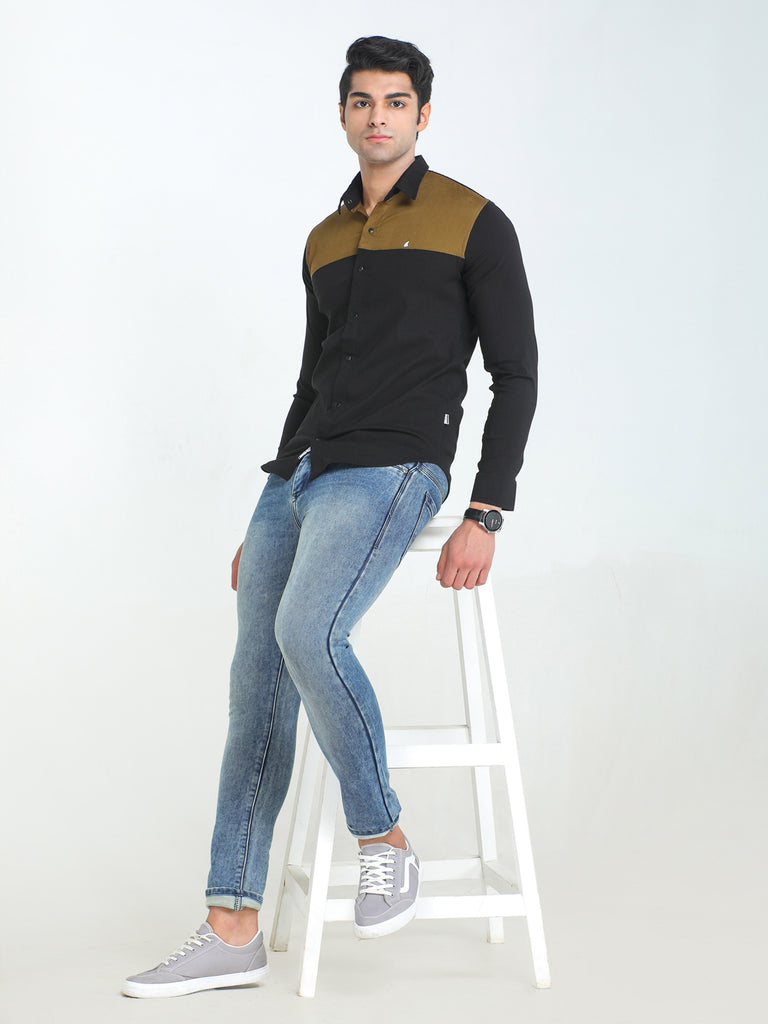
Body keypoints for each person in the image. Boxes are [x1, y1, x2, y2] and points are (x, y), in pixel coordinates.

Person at [122, 34, 537, 999]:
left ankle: (383, 835)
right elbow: (312, 377)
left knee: (308, 632)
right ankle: (233, 926)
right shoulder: (323, 237)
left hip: (395, 465)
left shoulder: (474, 221)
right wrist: (273, 499)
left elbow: (515, 374)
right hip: (305, 473)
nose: (377, 117)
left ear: (422, 115)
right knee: (256, 679)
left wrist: (488, 508)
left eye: (395, 102)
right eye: (362, 101)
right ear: (343, 113)